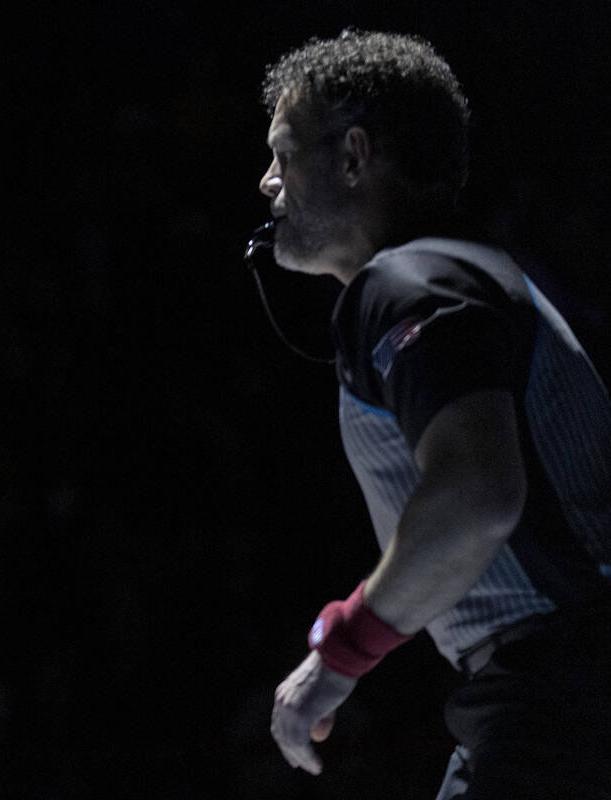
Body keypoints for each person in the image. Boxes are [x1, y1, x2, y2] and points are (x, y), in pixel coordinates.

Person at [258, 30, 611, 799]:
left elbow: (478, 494)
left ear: (354, 158)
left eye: (283, 156)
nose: (266, 183)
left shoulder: (407, 282)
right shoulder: (477, 271)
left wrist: (338, 654)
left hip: (565, 697)